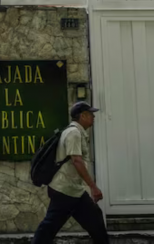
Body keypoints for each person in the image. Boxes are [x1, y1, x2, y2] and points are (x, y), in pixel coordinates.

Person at [32, 101, 109, 244]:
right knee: (49, 227)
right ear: (83, 116)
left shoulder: (76, 132)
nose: (94, 117)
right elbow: (76, 161)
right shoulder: (73, 133)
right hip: (65, 190)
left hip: (73, 190)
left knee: (95, 220)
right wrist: (93, 186)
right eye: (91, 114)